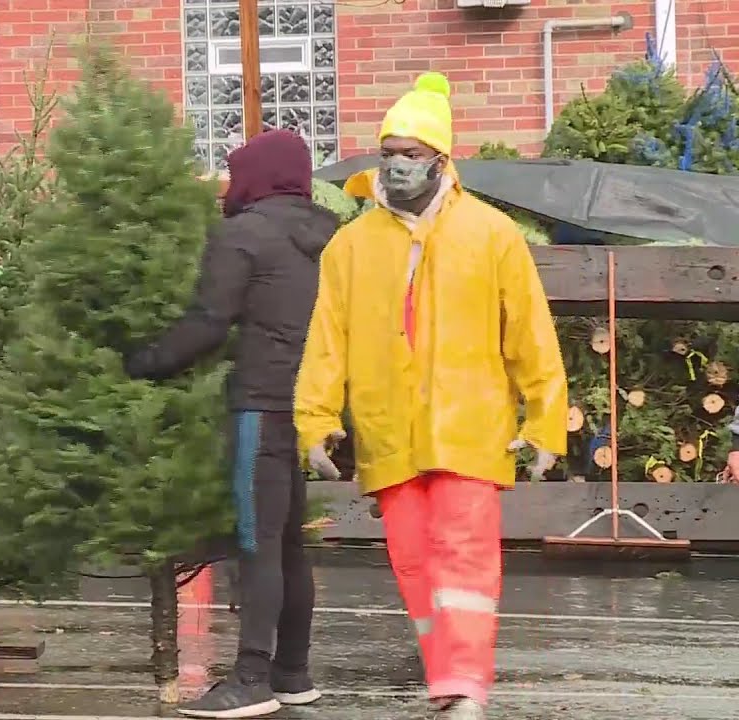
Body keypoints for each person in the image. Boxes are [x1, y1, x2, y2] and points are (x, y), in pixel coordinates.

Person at [292, 72, 567, 720]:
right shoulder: (351, 247)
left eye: (410, 153)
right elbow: (328, 338)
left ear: (441, 159)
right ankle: (448, 680)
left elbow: (529, 333)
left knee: (464, 557)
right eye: (389, 152)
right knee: (415, 562)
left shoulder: (491, 235)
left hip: (470, 428)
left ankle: (465, 684)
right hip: (390, 431)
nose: (397, 165)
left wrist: (544, 419)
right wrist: (315, 418)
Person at [123, 129, 340, 719]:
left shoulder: (243, 234)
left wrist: (142, 363)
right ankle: (292, 672)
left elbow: (208, 321)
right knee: (288, 542)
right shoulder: (330, 237)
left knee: (256, 541)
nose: (228, 187)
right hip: (307, 405)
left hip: (259, 404)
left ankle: (250, 680)